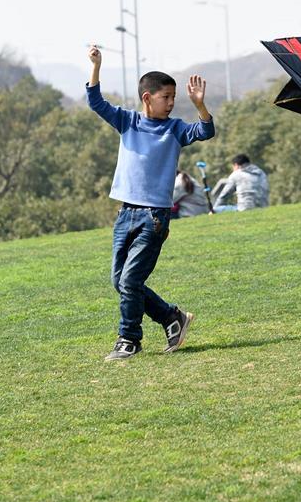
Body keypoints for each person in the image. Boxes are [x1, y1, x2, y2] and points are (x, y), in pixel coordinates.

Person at [86, 44, 215, 361]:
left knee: (131, 280)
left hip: (155, 218)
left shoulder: (175, 129)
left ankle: (128, 339)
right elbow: (95, 101)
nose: (171, 103)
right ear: (147, 98)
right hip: (125, 213)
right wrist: (96, 66)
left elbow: (206, 130)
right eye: (166, 97)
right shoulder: (127, 121)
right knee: (120, 281)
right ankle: (172, 317)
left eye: (174, 98)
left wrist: (200, 106)